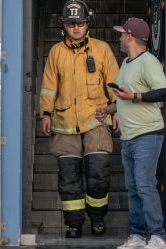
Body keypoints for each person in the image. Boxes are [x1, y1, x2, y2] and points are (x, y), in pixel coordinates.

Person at [39, 0, 119, 238]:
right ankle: (74, 224)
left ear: (87, 25)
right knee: (69, 177)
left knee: (98, 174)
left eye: (80, 23)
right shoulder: (56, 52)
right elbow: (49, 87)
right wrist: (45, 113)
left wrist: (116, 112)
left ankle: (97, 220)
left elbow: (114, 84)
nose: (76, 28)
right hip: (64, 124)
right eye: (71, 23)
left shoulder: (102, 49)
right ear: (64, 25)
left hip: (96, 120)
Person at [95, 17, 166, 249]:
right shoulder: (126, 63)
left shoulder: (149, 62)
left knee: (145, 185)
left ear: (130, 37)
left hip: (148, 134)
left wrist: (135, 97)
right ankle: (136, 236)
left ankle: (157, 236)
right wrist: (107, 109)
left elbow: (164, 93)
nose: (119, 38)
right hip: (128, 137)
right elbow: (122, 97)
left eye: (121, 34)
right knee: (134, 188)